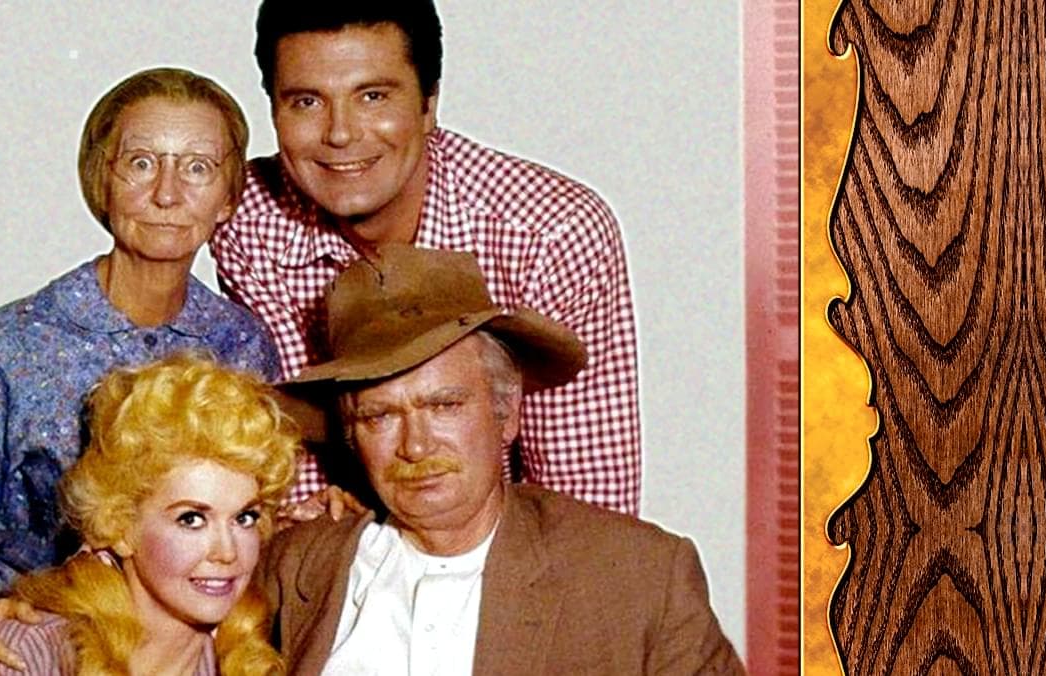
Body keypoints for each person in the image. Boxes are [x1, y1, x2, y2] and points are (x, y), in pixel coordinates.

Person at [0, 67, 281, 662]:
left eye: (198, 167)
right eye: (142, 163)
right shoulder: (17, 344)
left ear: (229, 196)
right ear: (102, 180)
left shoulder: (242, 344)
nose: (167, 194)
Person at [211, 0, 645, 516]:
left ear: (429, 102)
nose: (340, 134)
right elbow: (296, 475)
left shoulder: (550, 233)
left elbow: (583, 515)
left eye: (373, 96)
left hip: (508, 546)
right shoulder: (248, 220)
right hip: (341, 545)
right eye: (307, 102)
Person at [261, 245, 742, 674]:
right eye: (380, 416)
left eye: (444, 405)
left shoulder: (639, 576)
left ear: (506, 412)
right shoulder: (293, 565)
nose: (416, 446)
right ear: (351, 435)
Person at [0, 354, 298, 676]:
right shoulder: (26, 653)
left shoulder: (242, 662)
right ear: (119, 526)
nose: (227, 553)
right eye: (191, 519)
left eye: (244, 518)